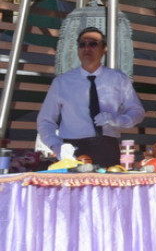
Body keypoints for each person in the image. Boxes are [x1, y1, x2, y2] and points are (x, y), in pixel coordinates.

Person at [36, 26, 145, 167]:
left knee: (109, 187)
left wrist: (118, 120)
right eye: (82, 44)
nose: (87, 48)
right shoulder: (62, 82)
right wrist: (57, 146)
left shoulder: (118, 79)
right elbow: (45, 121)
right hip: (72, 148)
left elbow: (137, 111)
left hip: (107, 146)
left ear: (104, 48)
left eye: (93, 44)